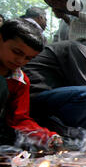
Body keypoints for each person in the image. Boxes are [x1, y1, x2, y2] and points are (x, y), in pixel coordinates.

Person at [0, 19, 62, 149]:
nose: (20, 61)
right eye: (17, 52)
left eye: (28, 58)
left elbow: (19, 119)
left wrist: (46, 137)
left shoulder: (20, 80)